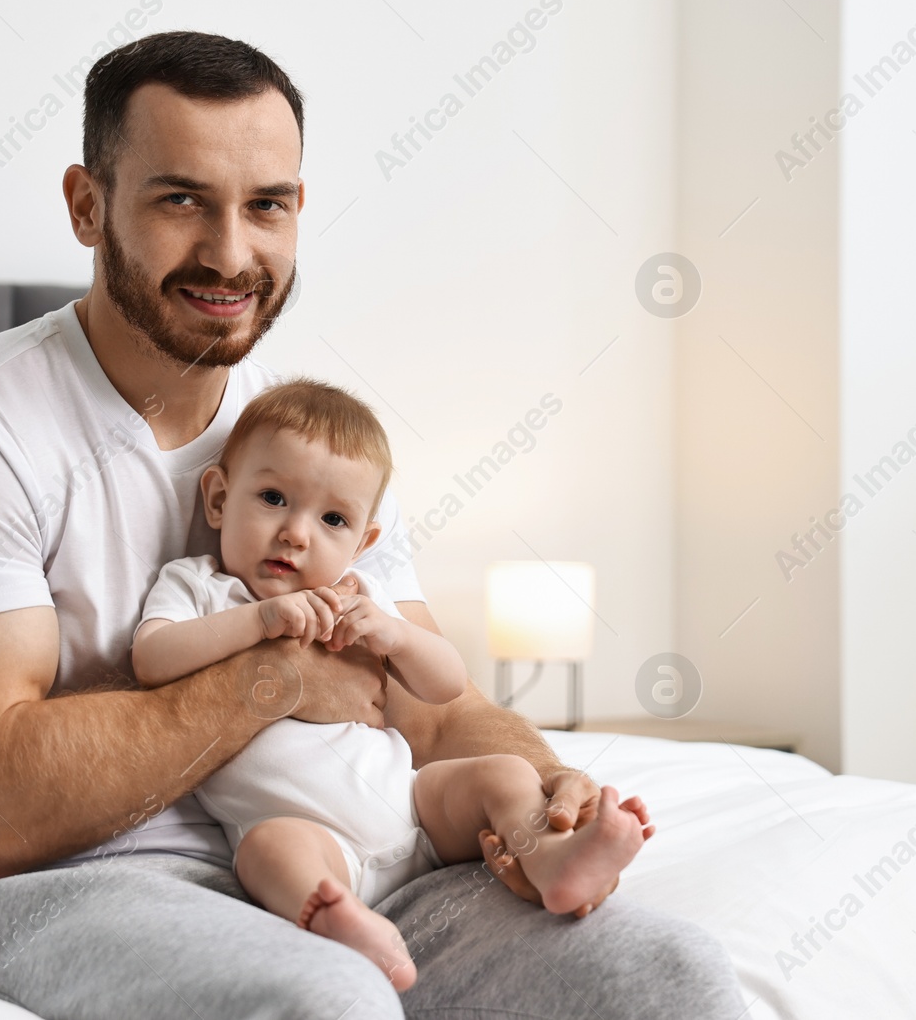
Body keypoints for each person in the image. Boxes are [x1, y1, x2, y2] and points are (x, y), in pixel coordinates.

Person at [0, 28, 746, 1018]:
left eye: (264, 205)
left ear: (298, 208)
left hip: (355, 856)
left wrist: (544, 789)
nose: (230, 252)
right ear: (86, 204)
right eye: (180, 198)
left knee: (665, 976)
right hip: (63, 882)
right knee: (323, 1001)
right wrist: (271, 677)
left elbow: (430, 709)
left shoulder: (311, 446)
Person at [131, 378, 655, 990]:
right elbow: (152, 658)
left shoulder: (360, 599)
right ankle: (342, 919)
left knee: (503, 773)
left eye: (332, 519)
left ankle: (556, 861)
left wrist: (396, 637)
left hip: (412, 808)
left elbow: (446, 687)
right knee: (268, 852)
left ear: (362, 543)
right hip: (312, 837)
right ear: (218, 499)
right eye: (273, 498)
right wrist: (257, 621)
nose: (297, 533)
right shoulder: (199, 587)